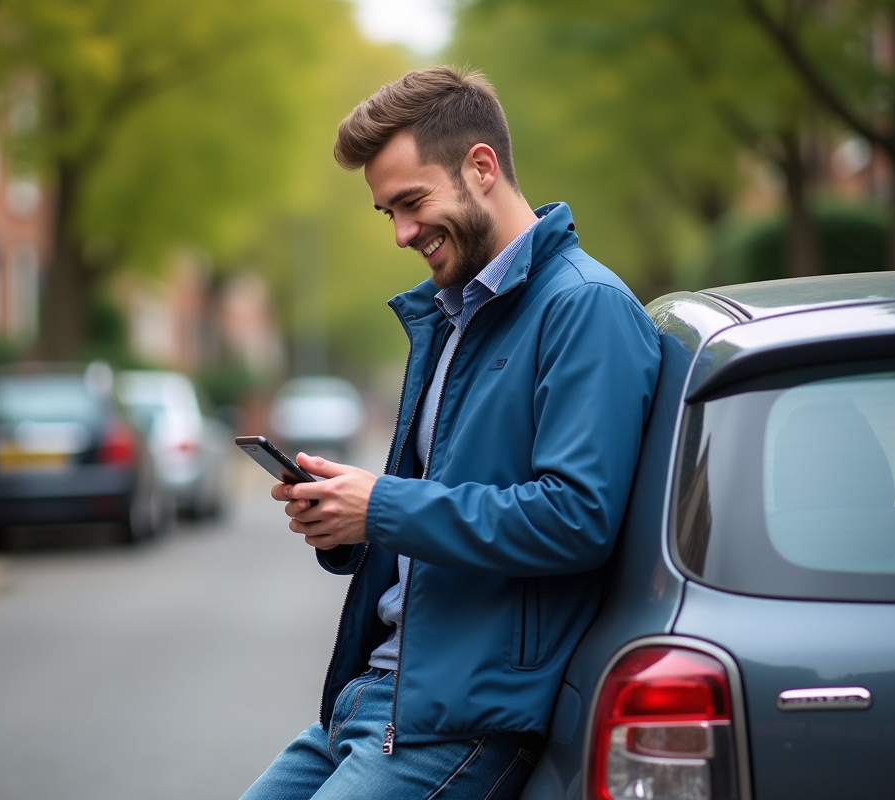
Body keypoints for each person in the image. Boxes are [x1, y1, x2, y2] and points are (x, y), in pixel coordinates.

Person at [241, 66, 662, 800]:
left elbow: (576, 517)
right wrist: (349, 519)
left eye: (412, 202)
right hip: (372, 700)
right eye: (387, 214)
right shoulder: (454, 314)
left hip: (462, 721)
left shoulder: (586, 309)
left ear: (481, 166)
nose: (402, 234)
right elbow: (450, 504)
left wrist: (383, 505)